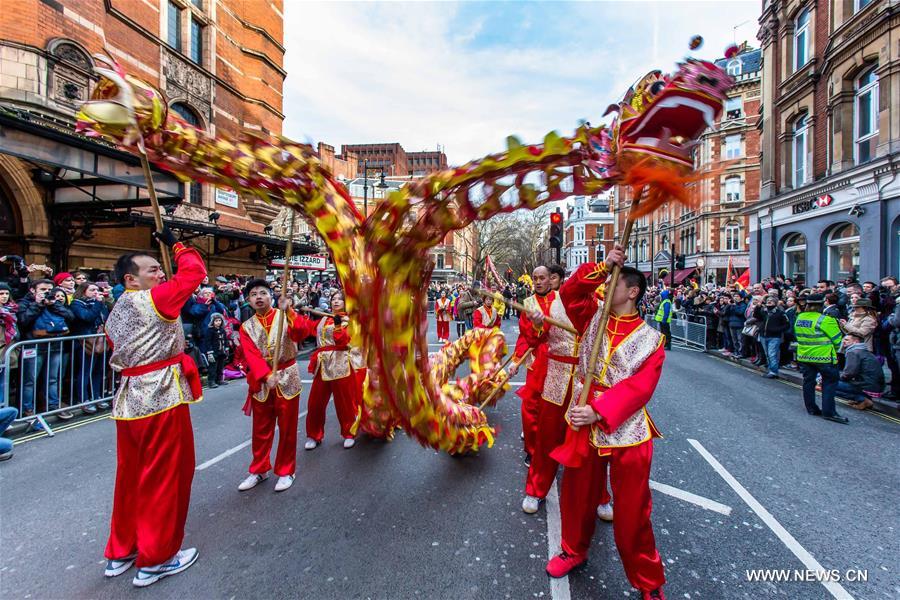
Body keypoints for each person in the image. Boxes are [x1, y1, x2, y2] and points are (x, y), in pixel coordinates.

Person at [545, 245, 666, 600]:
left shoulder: (652, 340)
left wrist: (599, 410)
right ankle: (572, 549)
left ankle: (648, 581)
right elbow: (570, 291)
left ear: (633, 292)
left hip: (625, 428)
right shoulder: (591, 317)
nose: (605, 289)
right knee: (577, 496)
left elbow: (640, 388)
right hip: (583, 419)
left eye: (613, 283)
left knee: (633, 513)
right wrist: (603, 265)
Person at [103, 228, 205, 587]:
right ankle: (158, 557)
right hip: (161, 395)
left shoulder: (117, 309)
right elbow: (194, 273)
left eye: (160, 270)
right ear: (131, 279)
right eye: (152, 270)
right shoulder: (153, 301)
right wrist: (178, 245)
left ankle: (122, 550)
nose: (160, 274)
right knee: (165, 477)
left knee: (130, 477)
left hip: (130, 400)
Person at [508, 266, 592, 516]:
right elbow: (530, 337)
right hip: (549, 368)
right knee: (542, 423)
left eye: (544, 277)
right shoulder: (532, 303)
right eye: (536, 278)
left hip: (585, 379)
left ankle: (597, 495)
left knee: (587, 439)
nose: (539, 282)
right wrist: (517, 359)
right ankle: (535, 480)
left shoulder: (579, 301)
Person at [238, 279, 318, 492]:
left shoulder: (284, 316)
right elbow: (251, 355)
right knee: (260, 428)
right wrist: (265, 375)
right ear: (248, 300)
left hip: (287, 376)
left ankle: (286, 470)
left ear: (271, 296)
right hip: (262, 380)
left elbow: (302, 332)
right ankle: (259, 469)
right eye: (254, 294)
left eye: (263, 292)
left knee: (287, 427)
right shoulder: (246, 327)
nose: (259, 297)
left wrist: (290, 311)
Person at [306, 291, 365, 450]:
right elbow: (306, 328)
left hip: (341, 364)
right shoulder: (323, 320)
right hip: (322, 364)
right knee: (315, 403)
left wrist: (338, 325)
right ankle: (314, 435)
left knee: (344, 402)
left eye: (340, 299)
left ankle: (348, 433)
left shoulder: (350, 321)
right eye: (334, 299)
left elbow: (343, 341)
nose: (336, 301)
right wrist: (290, 312)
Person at [17, 278, 74, 424]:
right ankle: (27, 409)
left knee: (53, 378)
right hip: (33, 346)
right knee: (30, 380)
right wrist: (37, 305)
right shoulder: (25, 302)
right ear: (32, 290)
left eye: (49, 290)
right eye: (43, 290)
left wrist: (54, 305)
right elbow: (23, 321)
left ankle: (53, 405)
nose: (47, 292)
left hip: (54, 345)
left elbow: (70, 317)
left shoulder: (54, 302)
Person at [793, 294, 847, 424]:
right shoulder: (826, 320)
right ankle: (829, 412)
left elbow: (797, 335)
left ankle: (811, 408)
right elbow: (837, 340)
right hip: (824, 357)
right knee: (829, 383)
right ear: (822, 304)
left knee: (808, 382)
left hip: (804, 355)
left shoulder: (800, 318)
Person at [70, 282, 110, 413]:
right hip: (85, 342)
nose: (95, 292)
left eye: (97, 290)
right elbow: (87, 317)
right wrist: (98, 304)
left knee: (98, 371)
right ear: (83, 291)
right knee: (85, 371)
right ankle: (84, 399)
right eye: (92, 290)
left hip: (99, 340)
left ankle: (96, 396)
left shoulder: (99, 303)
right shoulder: (76, 304)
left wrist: (101, 303)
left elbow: (106, 318)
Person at [837, 332, 884, 410]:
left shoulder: (853, 352)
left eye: (847, 340)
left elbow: (849, 373)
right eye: (843, 340)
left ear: (855, 342)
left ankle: (862, 399)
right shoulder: (863, 350)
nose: (843, 341)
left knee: (829, 384)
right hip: (875, 386)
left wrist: (836, 377)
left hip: (866, 386)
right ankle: (861, 398)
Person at [754, 296, 790, 378]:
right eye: (768, 300)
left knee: (772, 354)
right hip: (764, 336)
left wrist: (777, 329)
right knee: (767, 354)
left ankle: (773, 372)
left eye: (771, 300)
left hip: (774, 337)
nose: (769, 301)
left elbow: (787, 325)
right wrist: (757, 307)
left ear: (775, 303)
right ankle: (771, 370)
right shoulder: (764, 311)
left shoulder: (780, 313)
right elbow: (756, 316)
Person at [202, 313, 230, 388]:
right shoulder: (210, 330)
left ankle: (219, 380)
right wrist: (209, 352)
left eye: (219, 320)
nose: (218, 322)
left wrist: (227, 348)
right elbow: (207, 342)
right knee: (213, 367)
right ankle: (211, 381)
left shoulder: (222, 330)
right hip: (214, 352)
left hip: (222, 351)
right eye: (216, 321)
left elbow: (225, 340)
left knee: (220, 366)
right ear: (212, 322)